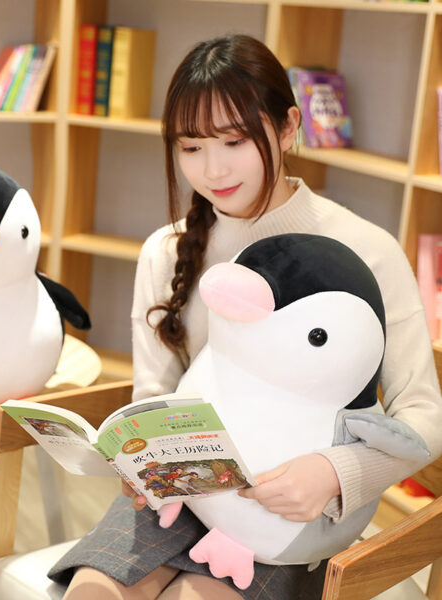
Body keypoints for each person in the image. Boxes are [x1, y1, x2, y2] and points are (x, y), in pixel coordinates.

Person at [48, 33, 442, 599]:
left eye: (234, 140)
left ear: (287, 127)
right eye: (191, 147)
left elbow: (425, 416)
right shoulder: (165, 252)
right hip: (182, 495)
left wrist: (335, 473)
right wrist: (141, 465)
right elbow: (154, 398)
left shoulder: (365, 250)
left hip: (284, 516)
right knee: (93, 593)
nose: (213, 169)